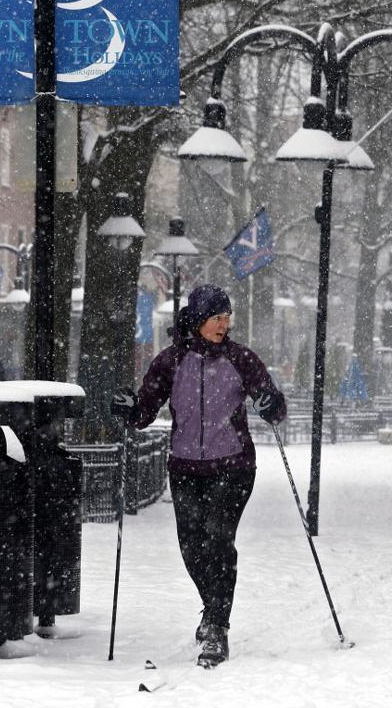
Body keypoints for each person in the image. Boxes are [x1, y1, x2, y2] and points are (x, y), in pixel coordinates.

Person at [111, 284, 286, 668]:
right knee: (192, 547)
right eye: (216, 318)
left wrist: (272, 404)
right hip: (186, 468)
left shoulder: (241, 359)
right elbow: (144, 412)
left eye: (226, 318)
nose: (223, 325)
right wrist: (129, 407)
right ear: (198, 320)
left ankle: (217, 628)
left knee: (219, 540)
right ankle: (212, 607)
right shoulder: (171, 361)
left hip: (233, 467)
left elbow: (272, 402)